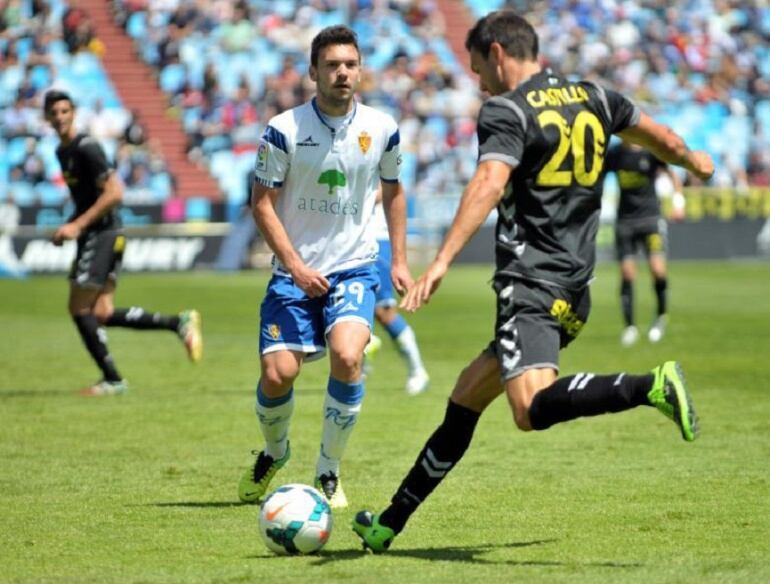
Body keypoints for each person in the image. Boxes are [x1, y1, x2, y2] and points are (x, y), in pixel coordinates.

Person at [351, 10, 714, 552]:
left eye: (478, 69)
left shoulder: (507, 109)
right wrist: (694, 163)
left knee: (528, 409)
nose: (477, 81)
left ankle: (649, 386)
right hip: (574, 287)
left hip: (531, 282)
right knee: (466, 397)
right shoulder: (595, 95)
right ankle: (388, 524)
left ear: (497, 53)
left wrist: (443, 259)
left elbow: (490, 180)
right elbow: (659, 136)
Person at [237, 25, 410, 509]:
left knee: (349, 356)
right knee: (277, 375)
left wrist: (397, 259)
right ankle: (274, 452)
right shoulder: (283, 130)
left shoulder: (382, 128)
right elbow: (262, 204)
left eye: (350, 64)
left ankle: (329, 469)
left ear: (360, 70)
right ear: (313, 72)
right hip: (294, 273)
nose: (342, 73)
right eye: (332, 65)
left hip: (355, 267)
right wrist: (294, 265)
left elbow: (394, 193)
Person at [44, 90, 203, 396]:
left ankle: (113, 379)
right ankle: (178, 323)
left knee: (78, 307)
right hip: (103, 233)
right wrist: (69, 226)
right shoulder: (61, 153)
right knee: (101, 312)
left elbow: (115, 193)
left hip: (103, 234)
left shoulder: (86, 147)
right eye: (54, 112)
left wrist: (77, 225)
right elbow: (86, 197)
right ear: (47, 117)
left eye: (65, 111)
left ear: (74, 113)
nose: (60, 117)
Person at [604, 141, 684, 347]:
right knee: (628, 274)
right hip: (625, 222)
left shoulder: (651, 153)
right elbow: (599, 177)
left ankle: (660, 316)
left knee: (658, 270)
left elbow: (672, 173)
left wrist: (678, 202)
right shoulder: (615, 154)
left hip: (650, 219)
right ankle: (629, 327)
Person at [365, 194, 429, 395]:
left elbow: (387, 188)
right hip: (352, 239)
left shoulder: (378, 161)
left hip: (376, 239)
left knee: (384, 311)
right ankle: (363, 349)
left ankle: (417, 371)